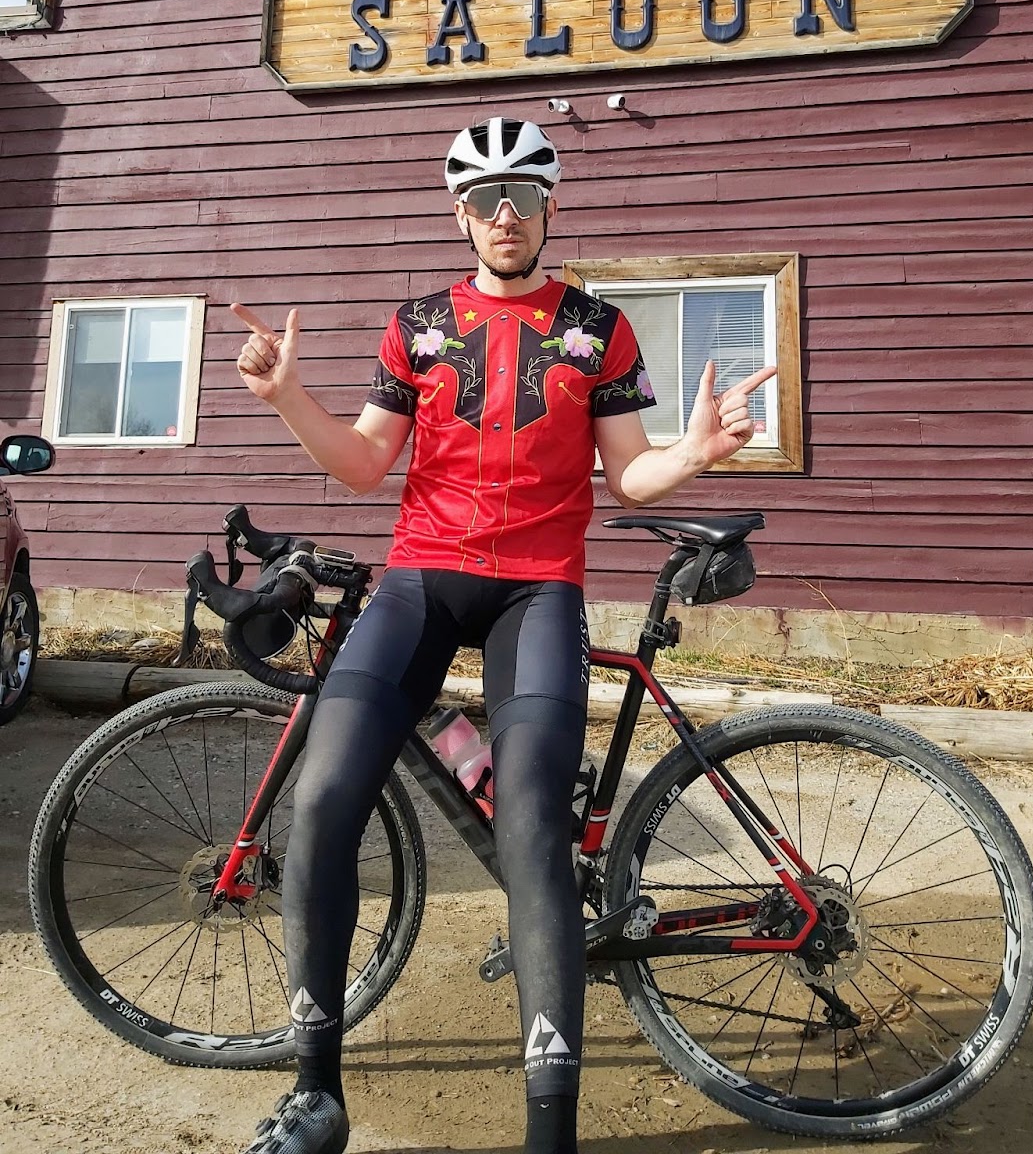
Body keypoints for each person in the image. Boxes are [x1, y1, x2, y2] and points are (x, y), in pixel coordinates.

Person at [231, 116, 776, 1154]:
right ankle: (316, 1096)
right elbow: (364, 465)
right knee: (326, 797)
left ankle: (549, 1133)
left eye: (522, 196)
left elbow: (630, 476)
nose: (505, 216)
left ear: (549, 207)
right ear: (461, 215)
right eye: (485, 200)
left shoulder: (599, 327)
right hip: (421, 582)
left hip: (539, 593)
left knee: (530, 829)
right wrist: (287, 396)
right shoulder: (418, 325)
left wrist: (694, 453)